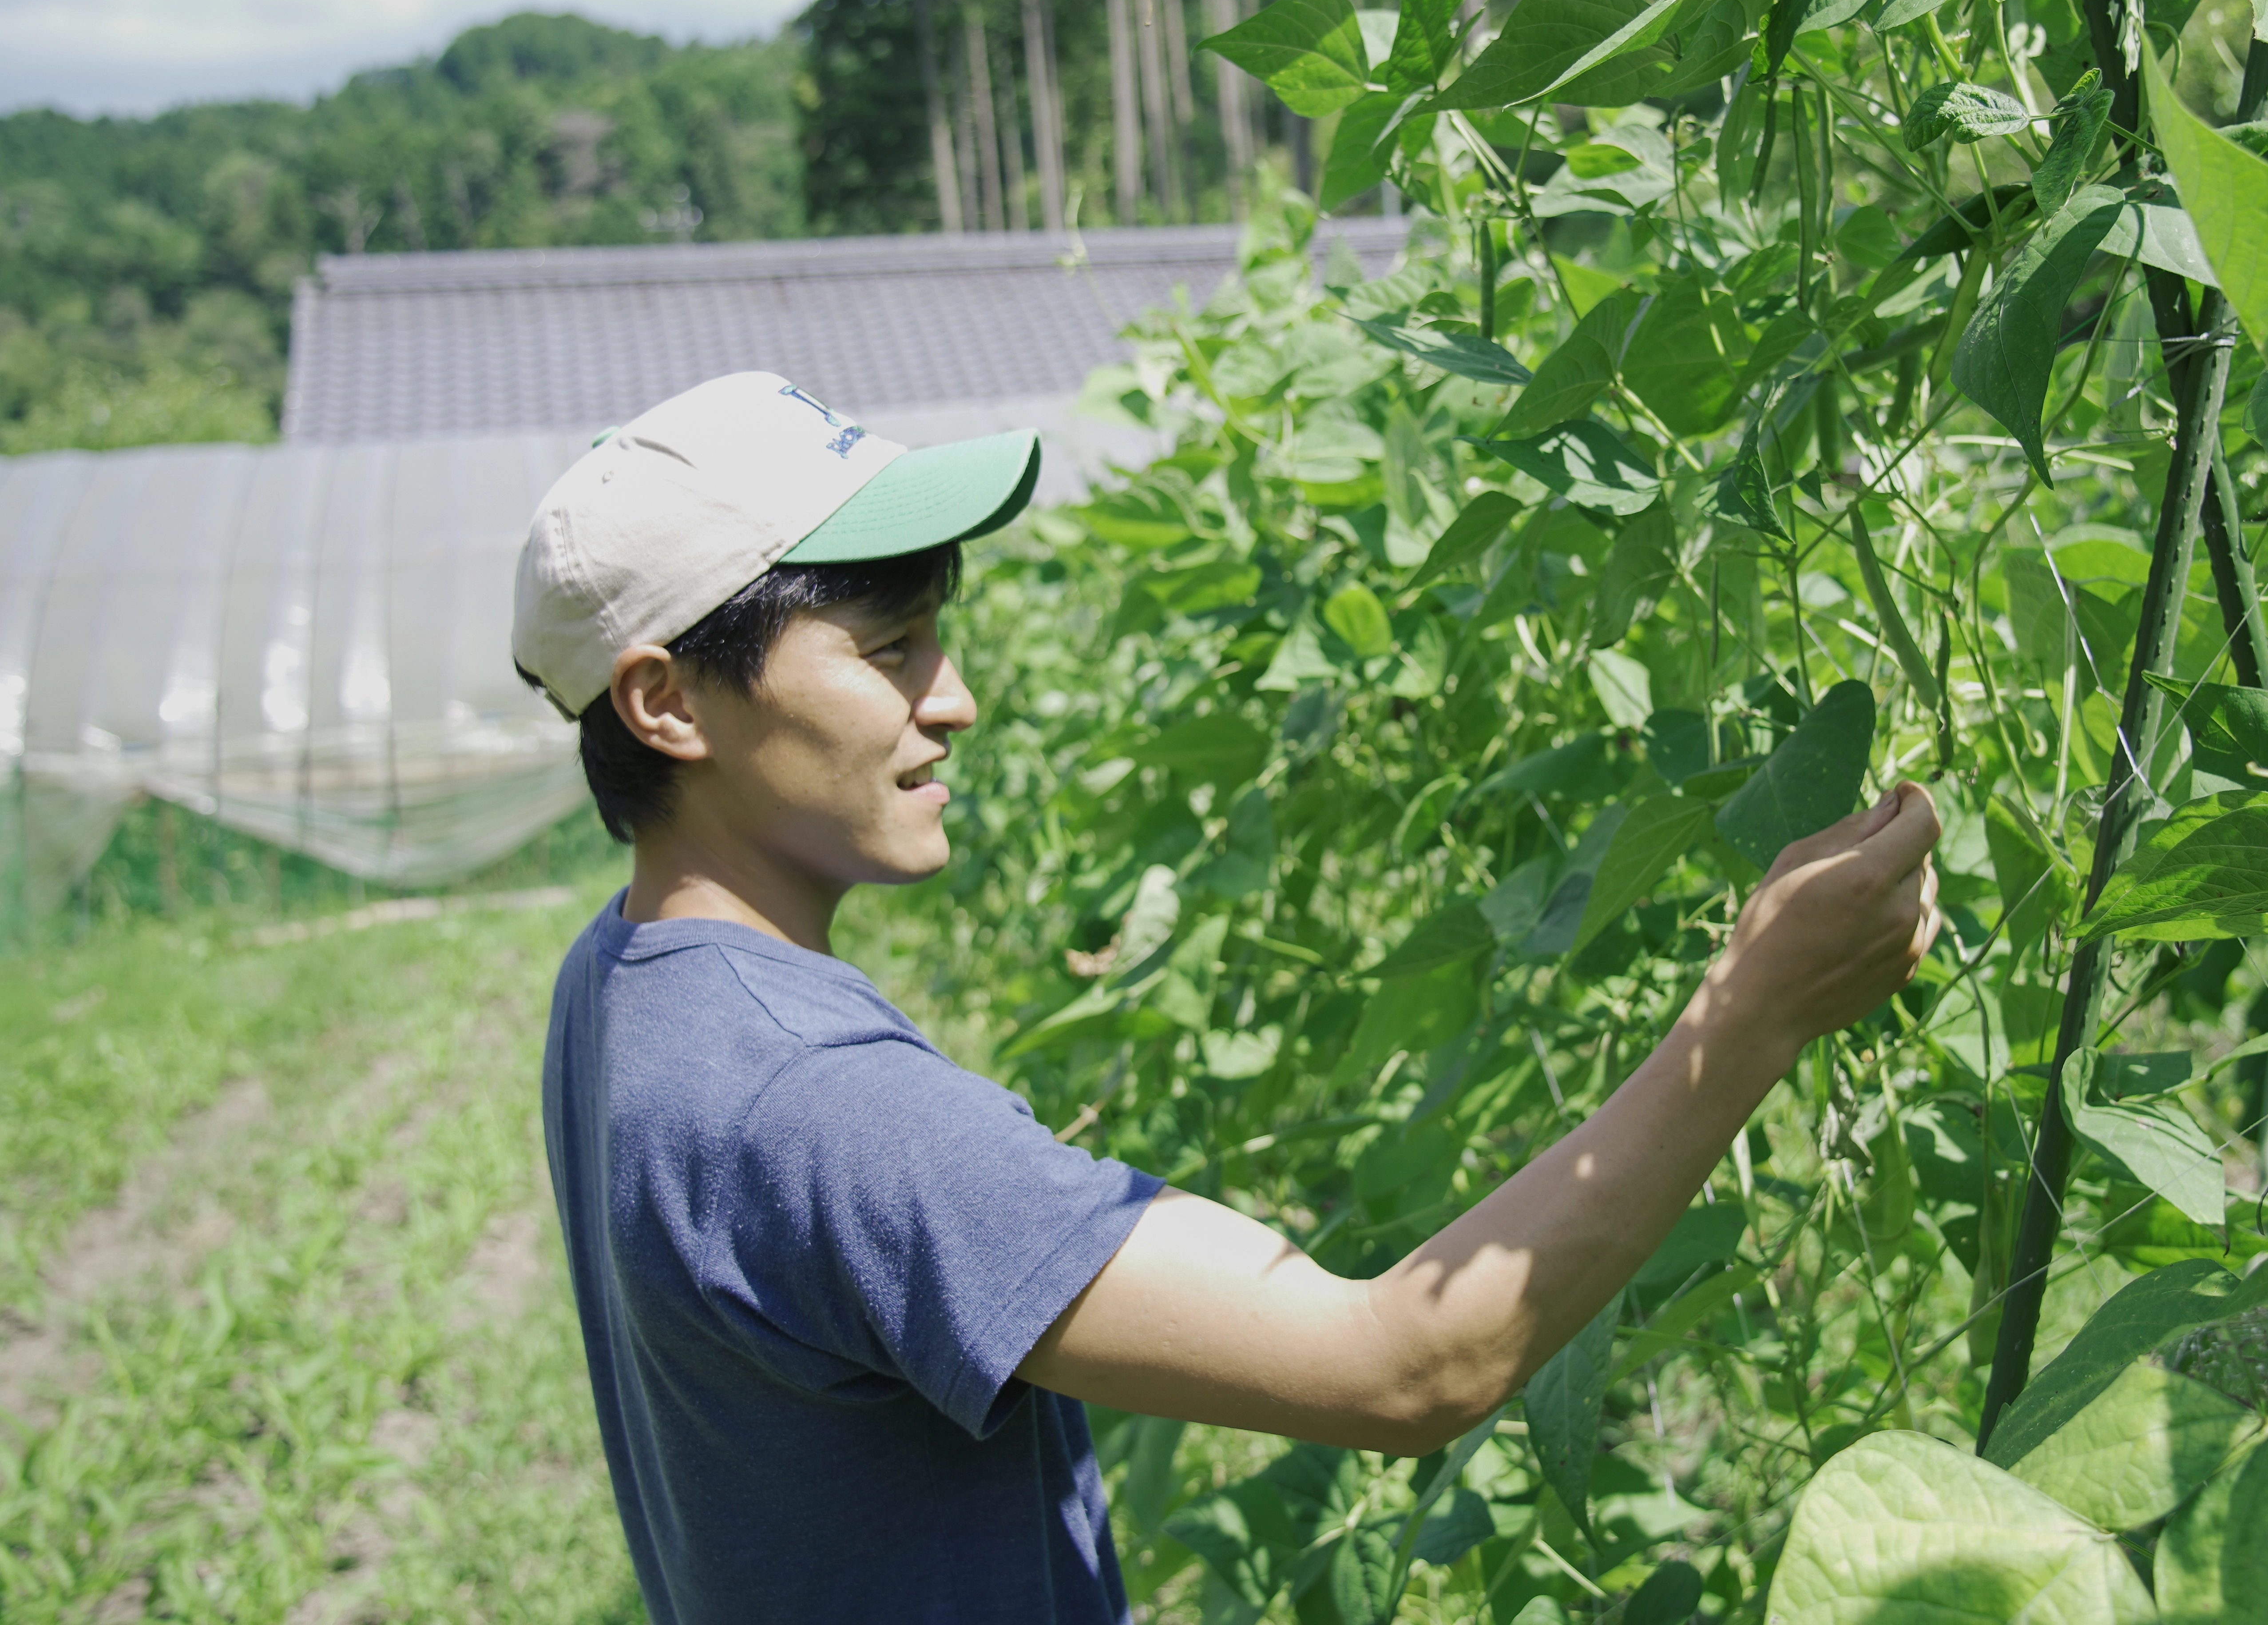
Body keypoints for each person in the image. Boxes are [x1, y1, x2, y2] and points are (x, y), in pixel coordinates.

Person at [515, 371, 1942, 1625]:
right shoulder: (829, 1108)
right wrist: (1750, 1017)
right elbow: (1406, 1367)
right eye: (890, 651)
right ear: (669, 705)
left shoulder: (625, 983)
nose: (953, 700)